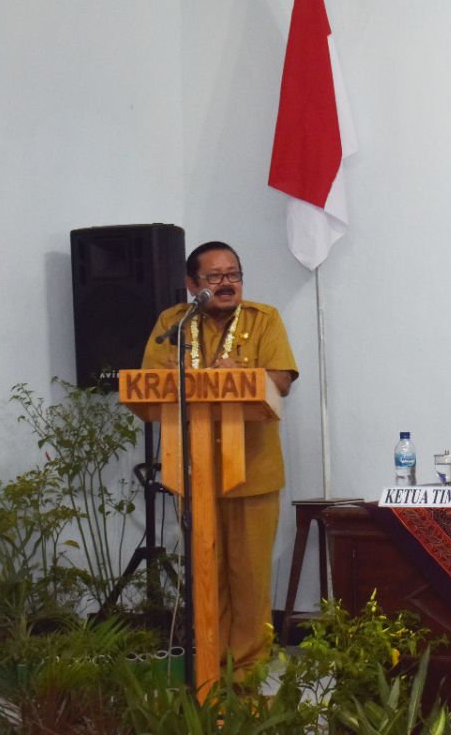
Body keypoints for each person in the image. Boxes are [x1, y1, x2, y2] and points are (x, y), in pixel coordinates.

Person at [141, 241, 298, 672]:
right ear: (193, 284)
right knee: (206, 579)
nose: (226, 283)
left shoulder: (264, 319)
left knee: (249, 581)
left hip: (253, 472)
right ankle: (210, 671)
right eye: (214, 277)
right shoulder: (172, 324)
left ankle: (247, 677)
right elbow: (149, 384)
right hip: (193, 472)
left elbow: (281, 379)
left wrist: (244, 376)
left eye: (234, 274)